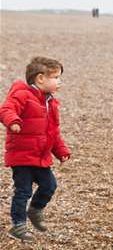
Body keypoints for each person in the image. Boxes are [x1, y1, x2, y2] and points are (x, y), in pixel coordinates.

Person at [0, 57, 71, 242]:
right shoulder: (22, 94)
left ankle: (35, 210)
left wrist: (61, 151)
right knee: (23, 191)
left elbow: (53, 132)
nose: (59, 82)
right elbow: (7, 109)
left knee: (49, 186)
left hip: (41, 156)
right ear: (40, 78)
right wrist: (13, 121)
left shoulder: (51, 102)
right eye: (56, 77)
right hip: (22, 155)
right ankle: (18, 226)